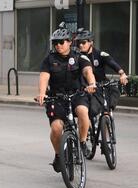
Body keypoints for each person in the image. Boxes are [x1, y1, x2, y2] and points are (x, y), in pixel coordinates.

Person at [37, 22, 97, 173]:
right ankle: (58, 155)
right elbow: (44, 77)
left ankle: (82, 142)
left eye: (61, 42)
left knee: (83, 112)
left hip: (77, 94)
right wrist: (42, 93)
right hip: (56, 97)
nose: (58, 45)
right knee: (56, 128)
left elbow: (88, 71)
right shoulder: (49, 59)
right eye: (55, 43)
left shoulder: (79, 57)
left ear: (70, 42)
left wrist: (92, 83)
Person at [75, 28, 127, 111]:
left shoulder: (99, 54)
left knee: (114, 90)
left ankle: (107, 113)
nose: (80, 45)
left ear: (91, 42)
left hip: (101, 84)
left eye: (83, 42)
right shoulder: (76, 57)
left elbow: (111, 62)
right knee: (89, 108)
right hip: (86, 87)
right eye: (78, 43)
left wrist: (122, 73)